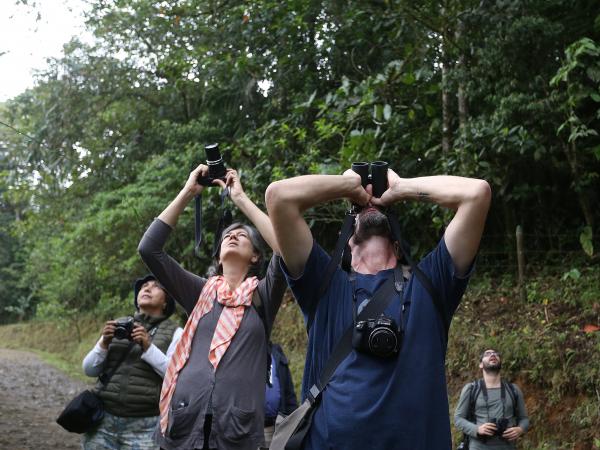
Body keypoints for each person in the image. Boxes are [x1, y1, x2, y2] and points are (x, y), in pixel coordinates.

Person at [265, 167, 491, 450]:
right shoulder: (323, 285)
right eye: (359, 209)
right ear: (346, 241)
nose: (370, 204)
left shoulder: (430, 283)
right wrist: (349, 185)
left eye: (378, 203)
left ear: (398, 247)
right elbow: (279, 197)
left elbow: (477, 194)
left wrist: (402, 188)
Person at [138, 166, 287, 450]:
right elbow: (149, 249)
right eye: (227, 235)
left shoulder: (263, 295)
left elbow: (284, 247)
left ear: (256, 256)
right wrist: (188, 192)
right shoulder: (199, 292)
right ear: (218, 255)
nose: (233, 236)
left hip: (237, 431)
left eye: (242, 235)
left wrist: (240, 198)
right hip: (184, 422)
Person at [82, 274, 183, 450]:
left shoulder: (176, 332)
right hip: (103, 421)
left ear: (166, 302)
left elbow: (175, 375)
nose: (147, 288)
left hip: (145, 425)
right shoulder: (119, 325)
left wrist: (148, 347)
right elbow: (89, 369)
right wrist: (104, 342)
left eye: (156, 286)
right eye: (144, 286)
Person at [454, 349, 530, 449]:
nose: (493, 355)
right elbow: (458, 419)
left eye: (496, 354)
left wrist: (520, 429)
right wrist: (477, 429)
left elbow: (524, 419)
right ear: (481, 364)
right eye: (487, 354)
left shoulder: (513, 390)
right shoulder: (471, 389)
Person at [263, 342, 298, 448]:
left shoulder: (277, 354)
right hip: (254, 431)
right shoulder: (247, 354)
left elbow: (289, 396)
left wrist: (294, 426)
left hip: (279, 429)